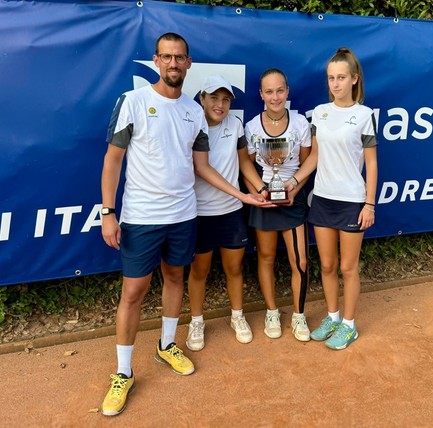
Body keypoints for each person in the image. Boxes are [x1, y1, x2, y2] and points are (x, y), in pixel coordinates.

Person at [100, 33, 268, 416]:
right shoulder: (134, 102)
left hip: (183, 215)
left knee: (176, 278)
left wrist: (242, 195)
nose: (174, 64)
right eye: (167, 57)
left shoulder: (194, 114)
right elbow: (112, 160)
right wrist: (108, 212)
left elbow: (202, 168)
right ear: (157, 61)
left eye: (180, 58)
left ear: (188, 64)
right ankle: (123, 373)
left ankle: (165, 345)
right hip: (141, 217)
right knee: (133, 292)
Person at [289, 47, 378, 350]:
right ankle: (333, 317)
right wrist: (294, 180)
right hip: (323, 200)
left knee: (347, 268)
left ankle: (350, 326)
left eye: (341, 77)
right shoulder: (320, 113)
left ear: (354, 79)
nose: (335, 83)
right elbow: (314, 157)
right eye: (331, 78)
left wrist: (369, 204)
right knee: (326, 266)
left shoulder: (364, 116)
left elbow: (372, 163)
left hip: (352, 201)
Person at [185, 75, 271, 351]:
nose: (220, 105)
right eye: (214, 98)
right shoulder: (190, 126)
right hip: (199, 213)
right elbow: (200, 168)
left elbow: (244, 162)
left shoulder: (235, 125)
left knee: (234, 269)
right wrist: (244, 195)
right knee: (200, 270)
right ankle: (196, 321)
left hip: (232, 212)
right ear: (201, 99)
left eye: (225, 99)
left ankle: (237, 316)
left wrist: (261, 188)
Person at [244, 68, 312, 342]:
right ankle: (272, 311)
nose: (275, 97)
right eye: (269, 92)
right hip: (263, 197)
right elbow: (246, 166)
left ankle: (298, 315)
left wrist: (294, 188)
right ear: (261, 94)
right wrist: (258, 193)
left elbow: (308, 162)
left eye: (280, 90)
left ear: (287, 91)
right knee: (266, 257)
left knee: (301, 260)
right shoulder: (251, 127)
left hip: (292, 198)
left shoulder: (300, 124)